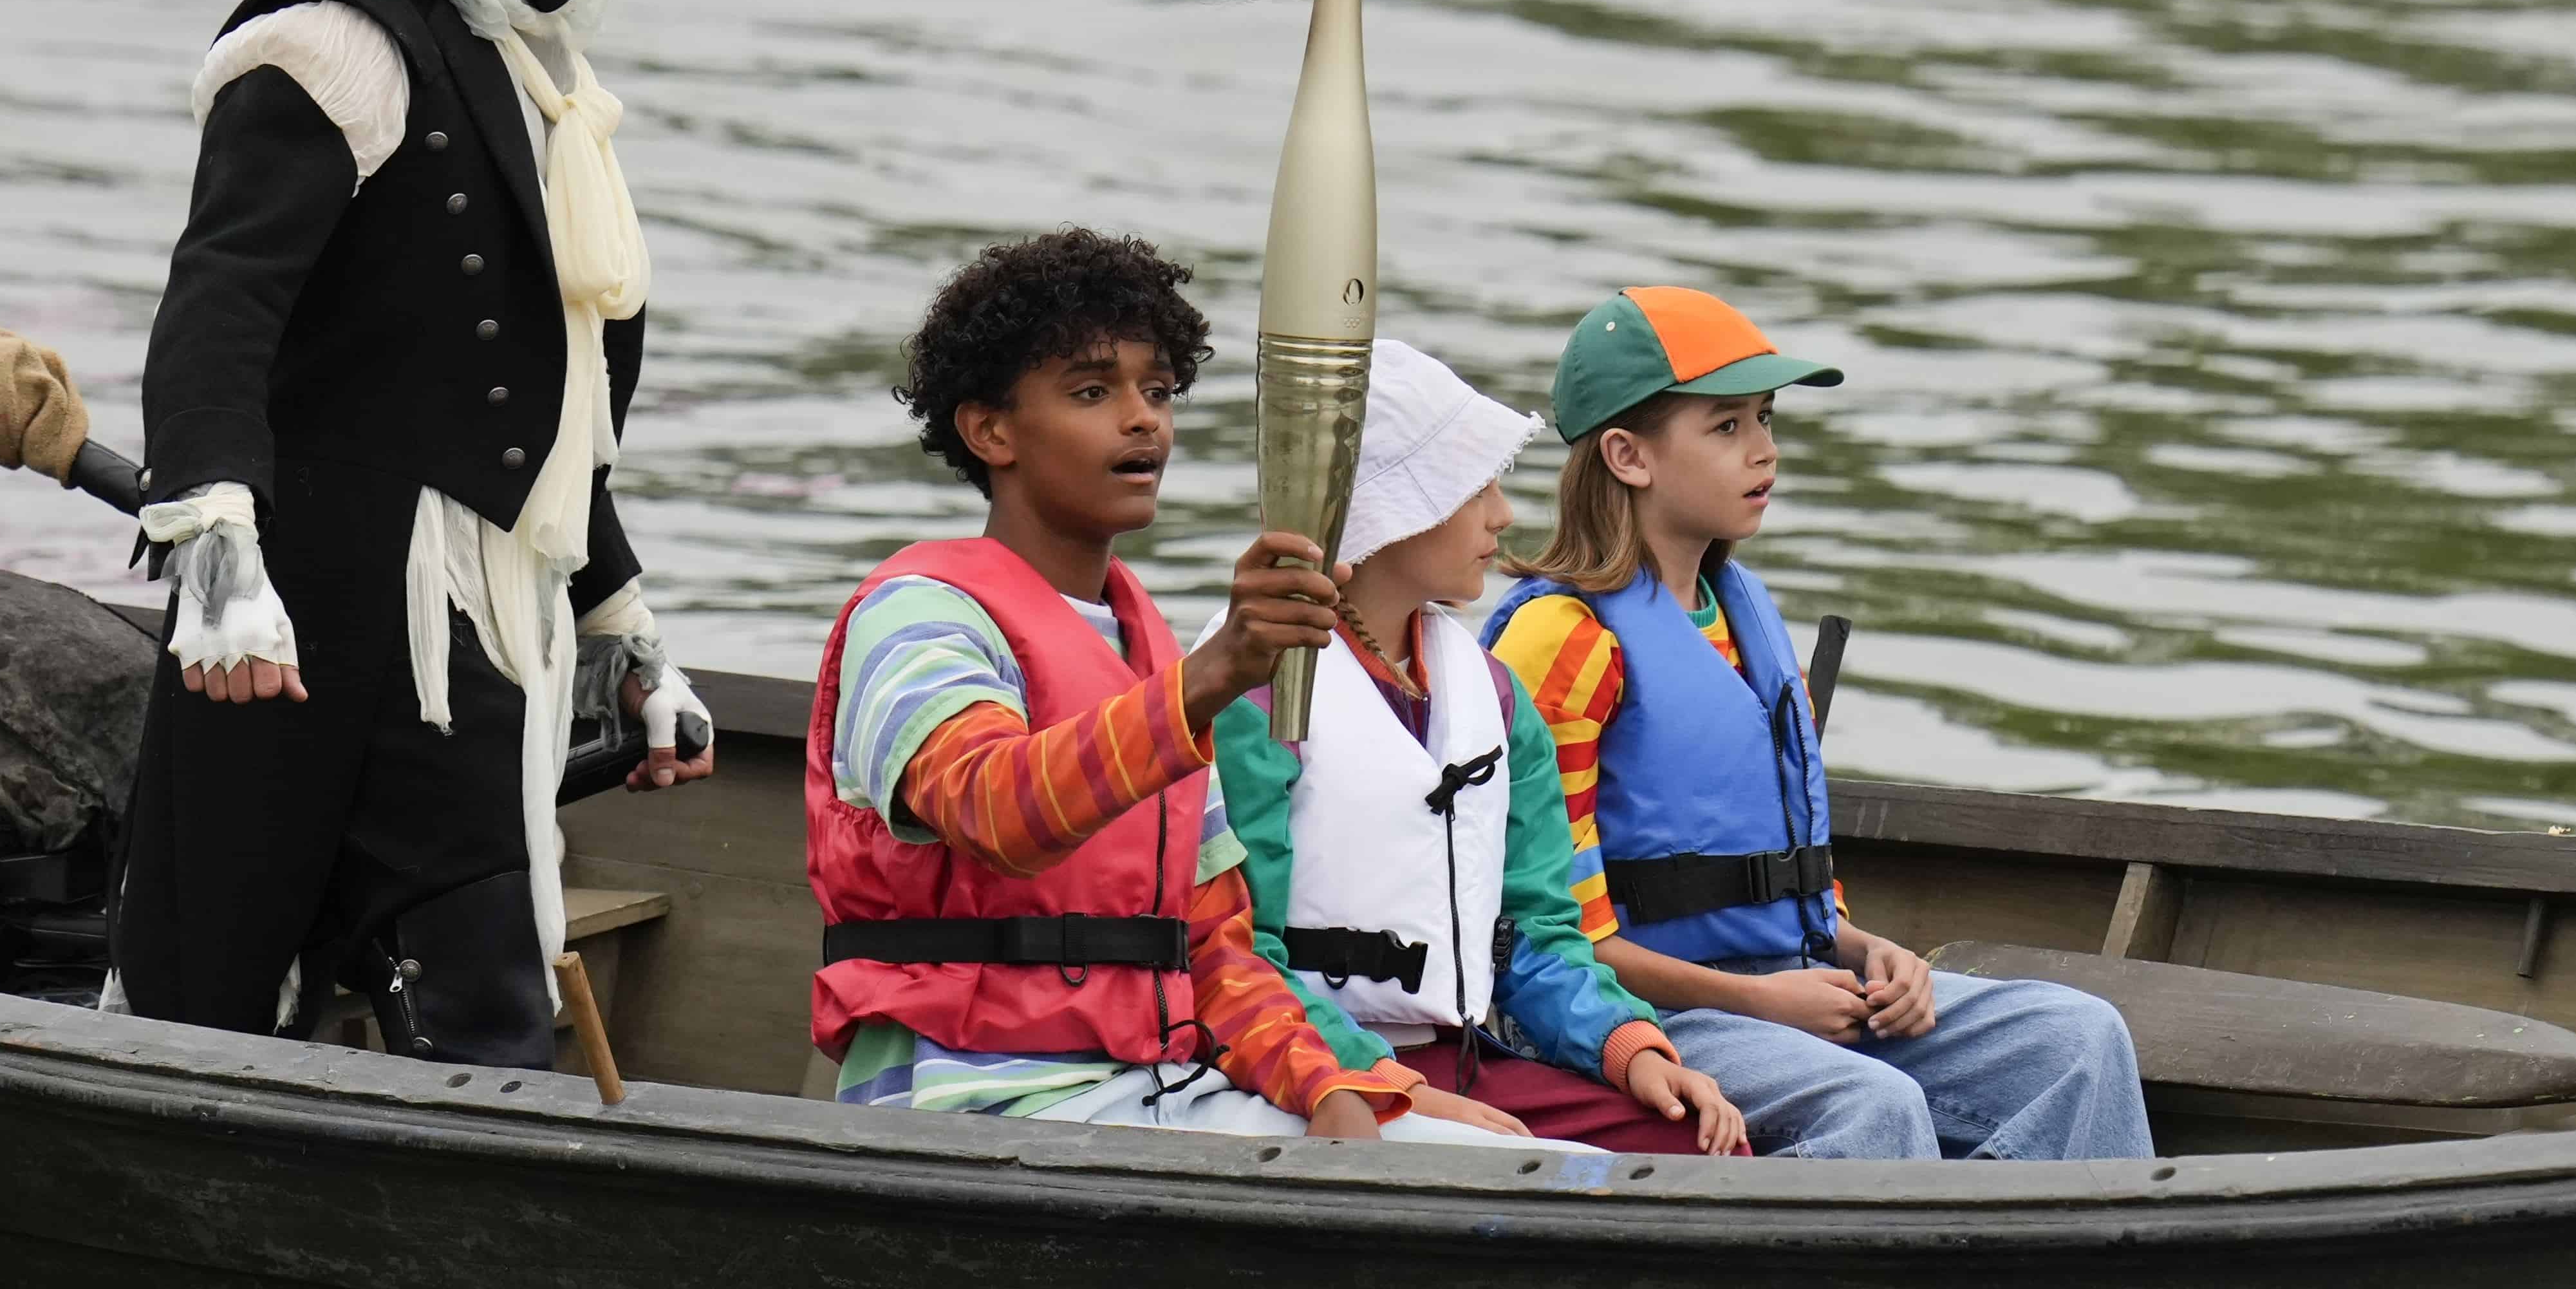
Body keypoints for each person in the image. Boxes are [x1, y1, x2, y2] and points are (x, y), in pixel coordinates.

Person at [111, 0, 714, 1064]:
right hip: (305, 615)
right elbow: (219, 311)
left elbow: (531, 405)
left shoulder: (529, 71)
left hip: (479, 624)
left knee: (486, 988)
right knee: (211, 984)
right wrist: (216, 557)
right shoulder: (325, 48)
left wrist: (624, 632)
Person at [808, 231, 1544, 1147]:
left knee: (1538, 1168)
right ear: (990, 430)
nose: (1143, 420)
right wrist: (1208, 680)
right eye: (1092, 392)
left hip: (1154, 1091)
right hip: (969, 1105)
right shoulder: (917, 614)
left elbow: (1214, 947)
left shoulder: (1143, 648)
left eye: (1157, 392)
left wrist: (1337, 1089)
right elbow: (994, 808)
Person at [1484, 287, 2152, 1161]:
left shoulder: (1741, 616)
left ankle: (2044, 1284)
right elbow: (1559, 937)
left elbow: (1798, 896)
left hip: (1792, 986)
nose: (1765, 450)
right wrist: (1765, 1003)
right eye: (1725, 427)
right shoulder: (1563, 643)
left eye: (1765, 419)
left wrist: (1876, 952)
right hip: (1649, 1016)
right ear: (1627, 455)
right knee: (1872, 1107)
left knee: (2080, 1041)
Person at [1210, 339, 1750, 1156]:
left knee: (1694, 1145)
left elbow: (1535, 931)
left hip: (1465, 1060)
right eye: (1476, 488)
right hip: (1322, 1069)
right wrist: (1393, 1089)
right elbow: (1240, 951)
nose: (1502, 516)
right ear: (1392, 510)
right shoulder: (1253, 694)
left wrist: (1629, 1046)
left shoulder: (1493, 697)